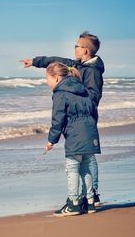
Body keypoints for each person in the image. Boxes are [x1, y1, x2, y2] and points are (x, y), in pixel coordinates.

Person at [20, 31, 104, 206]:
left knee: (86, 159)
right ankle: (88, 196)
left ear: (86, 51)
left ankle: (92, 194)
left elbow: (93, 97)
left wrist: (72, 99)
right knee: (83, 157)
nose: (74, 48)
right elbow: (58, 61)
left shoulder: (93, 71)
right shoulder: (79, 65)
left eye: (77, 46)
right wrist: (36, 62)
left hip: (86, 117)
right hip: (76, 116)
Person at [44, 62, 101, 216]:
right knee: (86, 167)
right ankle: (90, 202)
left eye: (47, 79)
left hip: (75, 136)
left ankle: (73, 203)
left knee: (72, 169)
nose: (47, 82)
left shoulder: (60, 93)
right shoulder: (84, 90)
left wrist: (51, 140)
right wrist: (90, 130)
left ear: (56, 77)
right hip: (90, 133)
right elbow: (94, 112)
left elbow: (58, 119)